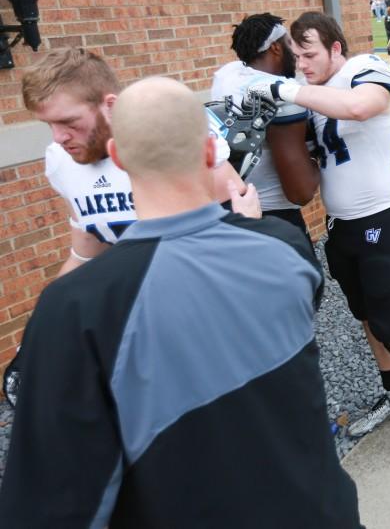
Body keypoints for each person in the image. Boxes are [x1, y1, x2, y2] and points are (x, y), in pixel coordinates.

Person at [0, 77, 362, 527]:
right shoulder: (286, 248)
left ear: (117, 157)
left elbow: (53, 504)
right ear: (211, 153)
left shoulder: (76, 308)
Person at [247, 12, 390, 456]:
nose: (303, 64)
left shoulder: (365, 69)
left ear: (335, 47)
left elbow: (358, 107)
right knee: (366, 318)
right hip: (340, 225)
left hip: (378, 221)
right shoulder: (314, 94)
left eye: (310, 54)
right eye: (296, 56)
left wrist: (285, 89)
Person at [20, 48, 259, 279]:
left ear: (110, 106)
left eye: (69, 122)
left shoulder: (173, 143)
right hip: (130, 296)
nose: (58, 137)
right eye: (49, 124)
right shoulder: (61, 161)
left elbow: (240, 234)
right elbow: (87, 251)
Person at [212, 13, 319, 239]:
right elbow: (300, 192)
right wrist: (317, 157)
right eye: (289, 44)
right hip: (273, 218)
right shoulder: (279, 93)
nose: (296, 54)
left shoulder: (227, 75)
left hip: (228, 212)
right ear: (276, 48)